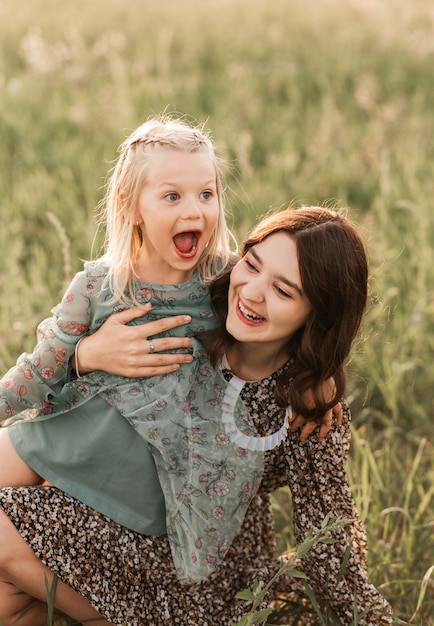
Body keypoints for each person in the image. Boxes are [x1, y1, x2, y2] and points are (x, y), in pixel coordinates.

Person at [0, 207, 392, 625]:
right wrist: (87, 354)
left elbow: (330, 536)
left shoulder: (305, 407)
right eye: (252, 264)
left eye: (283, 290)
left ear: (318, 314)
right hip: (104, 504)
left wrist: (374, 619)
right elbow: (65, 382)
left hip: (194, 563)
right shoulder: (193, 310)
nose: (253, 292)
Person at [0, 114, 334, 583]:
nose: (194, 211)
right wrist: (86, 355)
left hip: (148, 466)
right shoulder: (98, 285)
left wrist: (323, 374)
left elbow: (287, 321)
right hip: (71, 435)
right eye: (172, 196)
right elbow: (40, 370)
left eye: (206, 193)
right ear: (131, 205)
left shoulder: (225, 280)